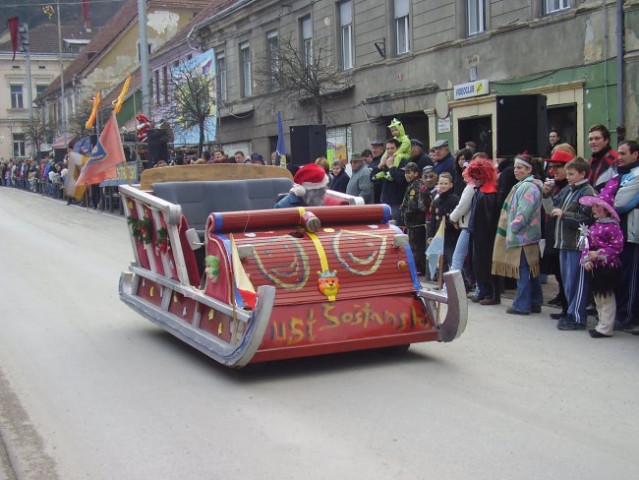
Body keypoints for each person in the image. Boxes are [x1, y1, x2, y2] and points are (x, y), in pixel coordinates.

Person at [492, 155, 544, 315]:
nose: (516, 171)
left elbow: (524, 211)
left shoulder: (528, 187)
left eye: (520, 168)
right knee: (530, 270)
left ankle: (522, 304)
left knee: (522, 271)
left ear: (529, 169)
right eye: (515, 167)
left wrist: (512, 228)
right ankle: (535, 301)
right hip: (528, 236)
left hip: (522, 237)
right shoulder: (526, 185)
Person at [547, 158, 595, 330]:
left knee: (577, 282)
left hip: (578, 244)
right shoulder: (569, 189)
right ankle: (570, 313)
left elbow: (587, 219)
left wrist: (564, 214)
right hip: (564, 243)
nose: (567, 177)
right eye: (567, 173)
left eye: (571, 174)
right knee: (568, 282)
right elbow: (552, 208)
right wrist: (547, 194)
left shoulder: (587, 192)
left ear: (582, 174)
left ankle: (577, 318)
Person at [600, 140, 639, 332]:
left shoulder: (637, 175)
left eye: (623, 153)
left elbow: (620, 203)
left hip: (632, 233)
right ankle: (620, 313)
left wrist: (610, 197)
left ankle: (628, 315)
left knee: (630, 277)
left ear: (635, 155)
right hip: (618, 232)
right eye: (619, 153)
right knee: (620, 275)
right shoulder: (618, 175)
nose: (619, 157)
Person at [578, 191, 624, 338]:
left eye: (598, 207)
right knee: (598, 297)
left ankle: (605, 328)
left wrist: (598, 254)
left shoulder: (613, 227)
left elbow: (617, 248)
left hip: (607, 267)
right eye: (594, 207)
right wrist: (586, 259)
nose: (594, 209)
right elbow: (586, 244)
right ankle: (601, 325)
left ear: (606, 210)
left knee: (606, 297)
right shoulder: (594, 226)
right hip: (594, 267)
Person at [540, 147, 573, 320]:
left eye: (558, 166)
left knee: (567, 276)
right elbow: (550, 210)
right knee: (560, 275)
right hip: (556, 236)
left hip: (567, 238)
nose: (554, 170)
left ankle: (571, 311)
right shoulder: (557, 186)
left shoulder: (571, 188)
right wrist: (546, 194)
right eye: (553, 166)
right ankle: (565, 308)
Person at [466, 159, 501, 305]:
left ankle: (491, 294)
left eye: (477, 176)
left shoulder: (489, 193)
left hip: (486, 236)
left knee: (486, 264)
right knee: (478, 264)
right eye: (473, 176)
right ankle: (483, 291)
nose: (474, 179)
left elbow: (487, 220)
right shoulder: (481, 191)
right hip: (478, 233)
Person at [427, 172, 460, 274]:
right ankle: (444, 284)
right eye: (441, 183)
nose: (443, 186)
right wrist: (430, 235)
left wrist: (449, 224)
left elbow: (457, 218)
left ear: (451, 185)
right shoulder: (436, 201)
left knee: (452, 260)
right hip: (439, 236)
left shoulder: (455, 199)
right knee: (441, 262)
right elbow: (433, 220)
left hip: (451, 237)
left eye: (446, 183)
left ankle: (463, 283)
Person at [371, 138, 409, 225]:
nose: (390, 151)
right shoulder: (384, 160)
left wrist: (391, 167)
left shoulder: (403, 161)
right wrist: (380, 166)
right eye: (387, 149)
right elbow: (372, 178)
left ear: (398, 149)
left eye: (392, 148)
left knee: (397, 227)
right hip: (385, 200)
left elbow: (401, 179)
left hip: (397, 201)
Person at [400, 162, 428, 275]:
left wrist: (404, 211)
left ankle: (420, 269)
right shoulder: (412, 185)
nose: (406, 175)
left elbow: (414, 206)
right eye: (405, 173)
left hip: (417, 224)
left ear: (416, 173)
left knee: (417, 248)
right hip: (412, 224)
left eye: (409, 172)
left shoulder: (416, 186)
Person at [587, 124, 618, 191]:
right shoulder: (591, 160)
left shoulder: (614, 159)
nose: (593, 142)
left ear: (606, 140)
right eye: (590, 139)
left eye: (597, 138)